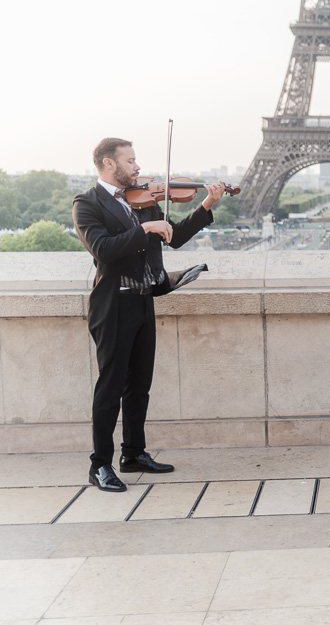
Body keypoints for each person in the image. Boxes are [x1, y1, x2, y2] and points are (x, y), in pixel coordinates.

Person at [73, 138, 224, 492]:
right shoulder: (87, 204)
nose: (138, 167)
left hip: (143, 300)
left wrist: (207, 204)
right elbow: (103, 250)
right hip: (113, 305)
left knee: (139, 385)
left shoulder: (143, 200)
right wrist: (142, 230)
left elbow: (174, 237)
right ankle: (99, 466)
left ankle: (134, 454)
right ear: (109, 164)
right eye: (131, 160)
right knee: (110, 387)